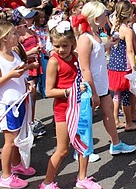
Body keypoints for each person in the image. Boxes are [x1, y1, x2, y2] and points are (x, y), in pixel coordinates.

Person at [39, 20, 101, 189]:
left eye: (65, 45)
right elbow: (49, 91)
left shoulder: (75, 57)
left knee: (84, 144)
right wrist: (70, 91)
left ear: (72, 43)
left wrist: (89, 94)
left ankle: (82, 178)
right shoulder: (54, 61)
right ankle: (47, 182)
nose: (61, 50)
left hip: (80, 107)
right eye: (57, 46)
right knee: (62, 150)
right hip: (63, 110)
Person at [75, 1, 136, 160]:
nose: (106, 17)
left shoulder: (94, 35)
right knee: (85, 119)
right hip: (90, 87)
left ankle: (116, 143)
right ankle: (82, 150)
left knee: (108, 112)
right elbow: (85, 68)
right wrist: (93, 92)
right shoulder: (85, 38)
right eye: (104, 15)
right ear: (95, 19)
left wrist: (108, 44)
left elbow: (97, 52)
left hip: (101, 85)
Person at [0, 21, 36, 189]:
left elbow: (19, 75)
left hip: (20, 100)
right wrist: (11, 75)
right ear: (5, 38)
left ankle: (15, 165)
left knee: (17, 138)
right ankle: (6, 176)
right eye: (14, 34)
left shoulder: (14, 55)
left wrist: (26, 82)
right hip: (8, 105)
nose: (17, 36)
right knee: (10, 141)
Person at [108, 0, 136, 132]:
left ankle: (116, 120)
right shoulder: (127, 30)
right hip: (124, 66)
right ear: (129, 14)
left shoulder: (115, 27)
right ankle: (129, 122)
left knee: (117, 95)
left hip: (114, 65)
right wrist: (133, 67)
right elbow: (130, 50)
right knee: (127, 95)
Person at [13, 7, 46, 137]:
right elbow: (18, 55)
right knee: (29, 96)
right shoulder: (18, 38)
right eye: (28, 18)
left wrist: (39, 48)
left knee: (32, 95)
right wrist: (31, 53)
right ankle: (28, 124)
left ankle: (31, 121)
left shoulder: (32, 32)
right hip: (27, 68)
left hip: (34, 66)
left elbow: (38, 42)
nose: (31, 19)